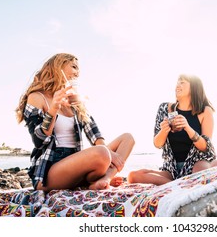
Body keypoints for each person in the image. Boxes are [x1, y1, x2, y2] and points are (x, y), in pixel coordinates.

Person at [16, 53, 135, 191]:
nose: (77, 73)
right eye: (74, 67)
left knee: (127, 138)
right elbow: (38, 140)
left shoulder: (73, 100)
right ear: (58, 66)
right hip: (50, 171)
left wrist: (110, 154)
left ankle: (105, 178)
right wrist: (54, 108)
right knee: (102, 153)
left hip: (76, 163)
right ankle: (96, 178)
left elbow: (94, 133)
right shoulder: (37, 97)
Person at [128, 74, 217, 185]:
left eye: (182, 82)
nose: (177, 85)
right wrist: (164, 130)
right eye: (177, 82)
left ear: (194, 87)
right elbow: (157, 144)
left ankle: (176, 184)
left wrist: (188, 128)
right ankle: (179, 185)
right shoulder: (164, 108)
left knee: (200, 172)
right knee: (133, 176)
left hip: (197, 162)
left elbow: (205, 147)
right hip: (172, 168)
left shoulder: (205, 111)